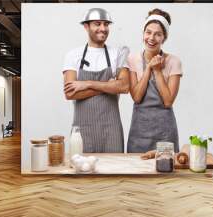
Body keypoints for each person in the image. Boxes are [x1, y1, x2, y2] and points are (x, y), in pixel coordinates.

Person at [62, 8, 130, 153]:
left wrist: (87, 83)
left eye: (106, 24)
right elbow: (70, 93)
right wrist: (109, 86)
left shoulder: (116, 53)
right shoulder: (73, 55)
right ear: (86, 26)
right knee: (83, 173)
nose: (103, 28)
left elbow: (124, 86)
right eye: (97, 24)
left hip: (111, 129)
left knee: (113, 172)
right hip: (82, 129)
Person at [127, 8, 182, 153]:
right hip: (139, 131)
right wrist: (148, 68)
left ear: (164, 38)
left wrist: (157, 71)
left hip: (165, 131)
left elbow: (168, 101)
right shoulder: (133, 59)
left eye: (158, 34)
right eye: (148, 32)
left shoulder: (173, 61)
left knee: (166, 173)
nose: (151, 38)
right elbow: (137, 97)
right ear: (143, 33)